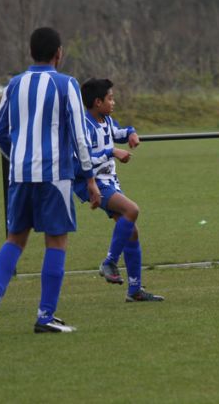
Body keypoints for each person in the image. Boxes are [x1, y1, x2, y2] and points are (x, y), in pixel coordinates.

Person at [0, 27, 100, 335]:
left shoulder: (14, 84)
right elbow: (80, 136)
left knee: (15, 239)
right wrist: (89, 177)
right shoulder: (66, 83)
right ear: (59, 53)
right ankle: (45, 315)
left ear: (31, 52)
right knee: (56, 241)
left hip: (20, 174)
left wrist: (18, 156)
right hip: (54, 175)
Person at [73, 78, 163, 302]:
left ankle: (134, 291)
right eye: (110, 98)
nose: (113, 102)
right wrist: (112, 152)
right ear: (98, 102)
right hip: (92, 182)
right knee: (132, 210)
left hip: (109, 181)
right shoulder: (84, 126)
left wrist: (131, 133)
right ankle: (109, 262)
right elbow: (82, 160)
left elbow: (118, 132)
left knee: (131, 231)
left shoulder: (106, 120)